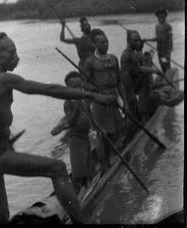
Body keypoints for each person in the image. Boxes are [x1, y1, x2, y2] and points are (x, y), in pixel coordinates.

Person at [0, 29, 116, 224]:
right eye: (11, 53)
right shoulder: (4, 79)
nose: (16, 57)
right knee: (58, 168)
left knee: (1, 216)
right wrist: (94, 96)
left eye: (16, 51)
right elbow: (49, 89)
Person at [83, 29, 128, 173]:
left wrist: (124, 102)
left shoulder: (113, 59)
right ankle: (104, 165)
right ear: (95, 44)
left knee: (117, 131)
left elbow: (119, 82)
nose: (105, 44)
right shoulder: (90, 62)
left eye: (107, 41)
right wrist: (99, 91)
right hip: (100, 102)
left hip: (113, 100)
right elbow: (85, 84)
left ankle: (109, 157)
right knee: (104, 134)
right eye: (101, 42)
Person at [120, 30, 162, 119]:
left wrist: (152, 70)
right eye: (135, 40)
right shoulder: (127, 55)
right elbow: (134, 72)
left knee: (137, 109)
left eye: (138, 40)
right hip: (129, 88)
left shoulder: (133, 53)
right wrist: (154, 70)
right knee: (132, 111)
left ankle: (142, 117)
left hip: (135, 86)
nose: (138, 42)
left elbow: (138, 68)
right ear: (128, 41)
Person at [63, 71, 93, 193]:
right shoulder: (68, 103)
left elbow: (90, 115)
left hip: (85, 136)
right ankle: (76, 190)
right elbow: (70, 121)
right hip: (76, 138)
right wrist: (76, 107)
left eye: (80, 86)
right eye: (74, 87)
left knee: (87, 163)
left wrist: (95, 127)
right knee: (77, 168)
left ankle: (88, 187)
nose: (78, 89)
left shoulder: (84, 100)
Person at [142, 8, 173, 73]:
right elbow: (158, 38)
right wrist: (147, 40)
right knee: (161, 63)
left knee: (166, 64)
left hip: (165, 50)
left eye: (162, 15)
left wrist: (169, 51)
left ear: (165, 16)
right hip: (160, 50)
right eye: (159, 16)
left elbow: (170, 39)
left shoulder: (168, 26)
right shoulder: (157, 27)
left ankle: (169, 75)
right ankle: (165, 75)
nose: (160, 17)